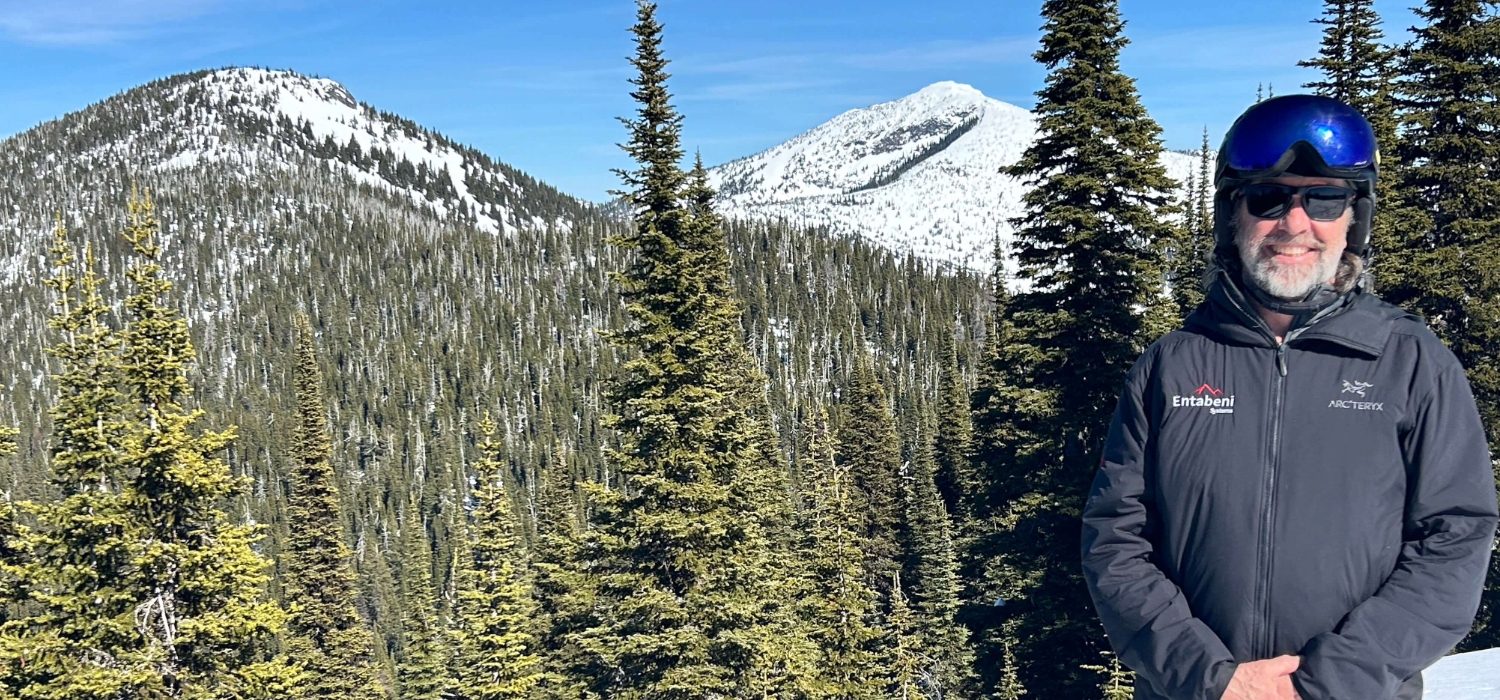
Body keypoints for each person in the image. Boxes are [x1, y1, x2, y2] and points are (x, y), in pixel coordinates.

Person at [1079, 95, 1499, 700]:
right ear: (1235, 215)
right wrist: (1213, 679)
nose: (1295, 223)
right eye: (1268, 197)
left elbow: (1454, 540)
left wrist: (1327, 681)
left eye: (1324, 198)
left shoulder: (1410, 362)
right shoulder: (1174, 363)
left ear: (1354, 216)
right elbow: (1116, 537)